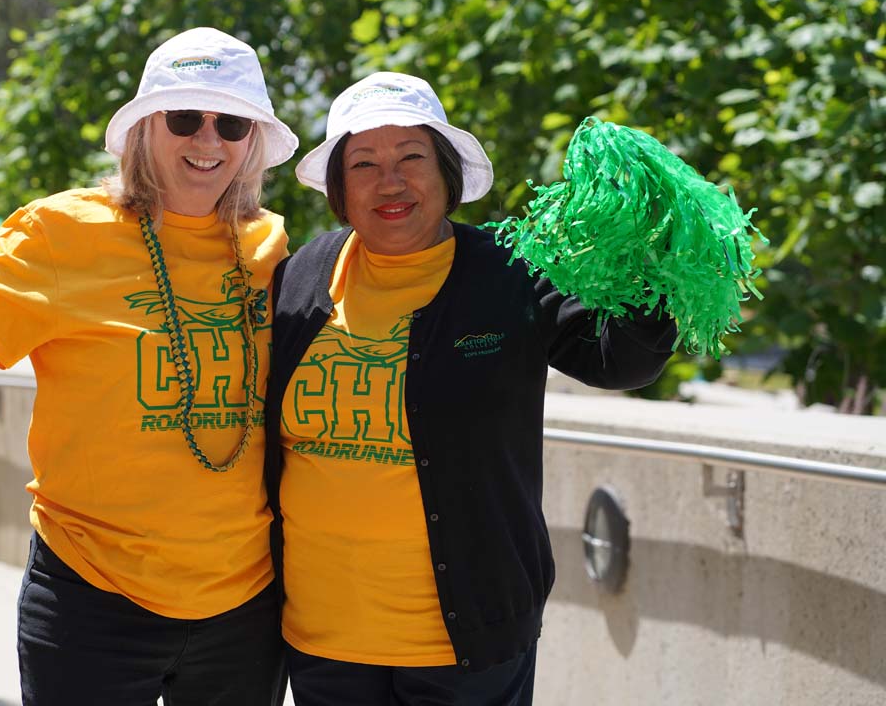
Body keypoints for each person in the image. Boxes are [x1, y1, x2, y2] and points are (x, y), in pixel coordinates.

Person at [0, 27, 299, 705]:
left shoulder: (269, 245)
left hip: (244, 607)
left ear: (253, 143)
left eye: (231, 123)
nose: (208, 140)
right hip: (91, 599)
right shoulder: (60, 232)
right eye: (185, 118)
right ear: (145, 129)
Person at [264, 72, 677, 705]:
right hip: (323, 644)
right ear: (340, 187)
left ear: (447, 172)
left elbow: (619, 361)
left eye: (412, 157)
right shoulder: (300, 275)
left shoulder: (510, 273)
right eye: (364, 163)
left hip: (468, 648)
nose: (390, 182)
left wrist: (655, 257)